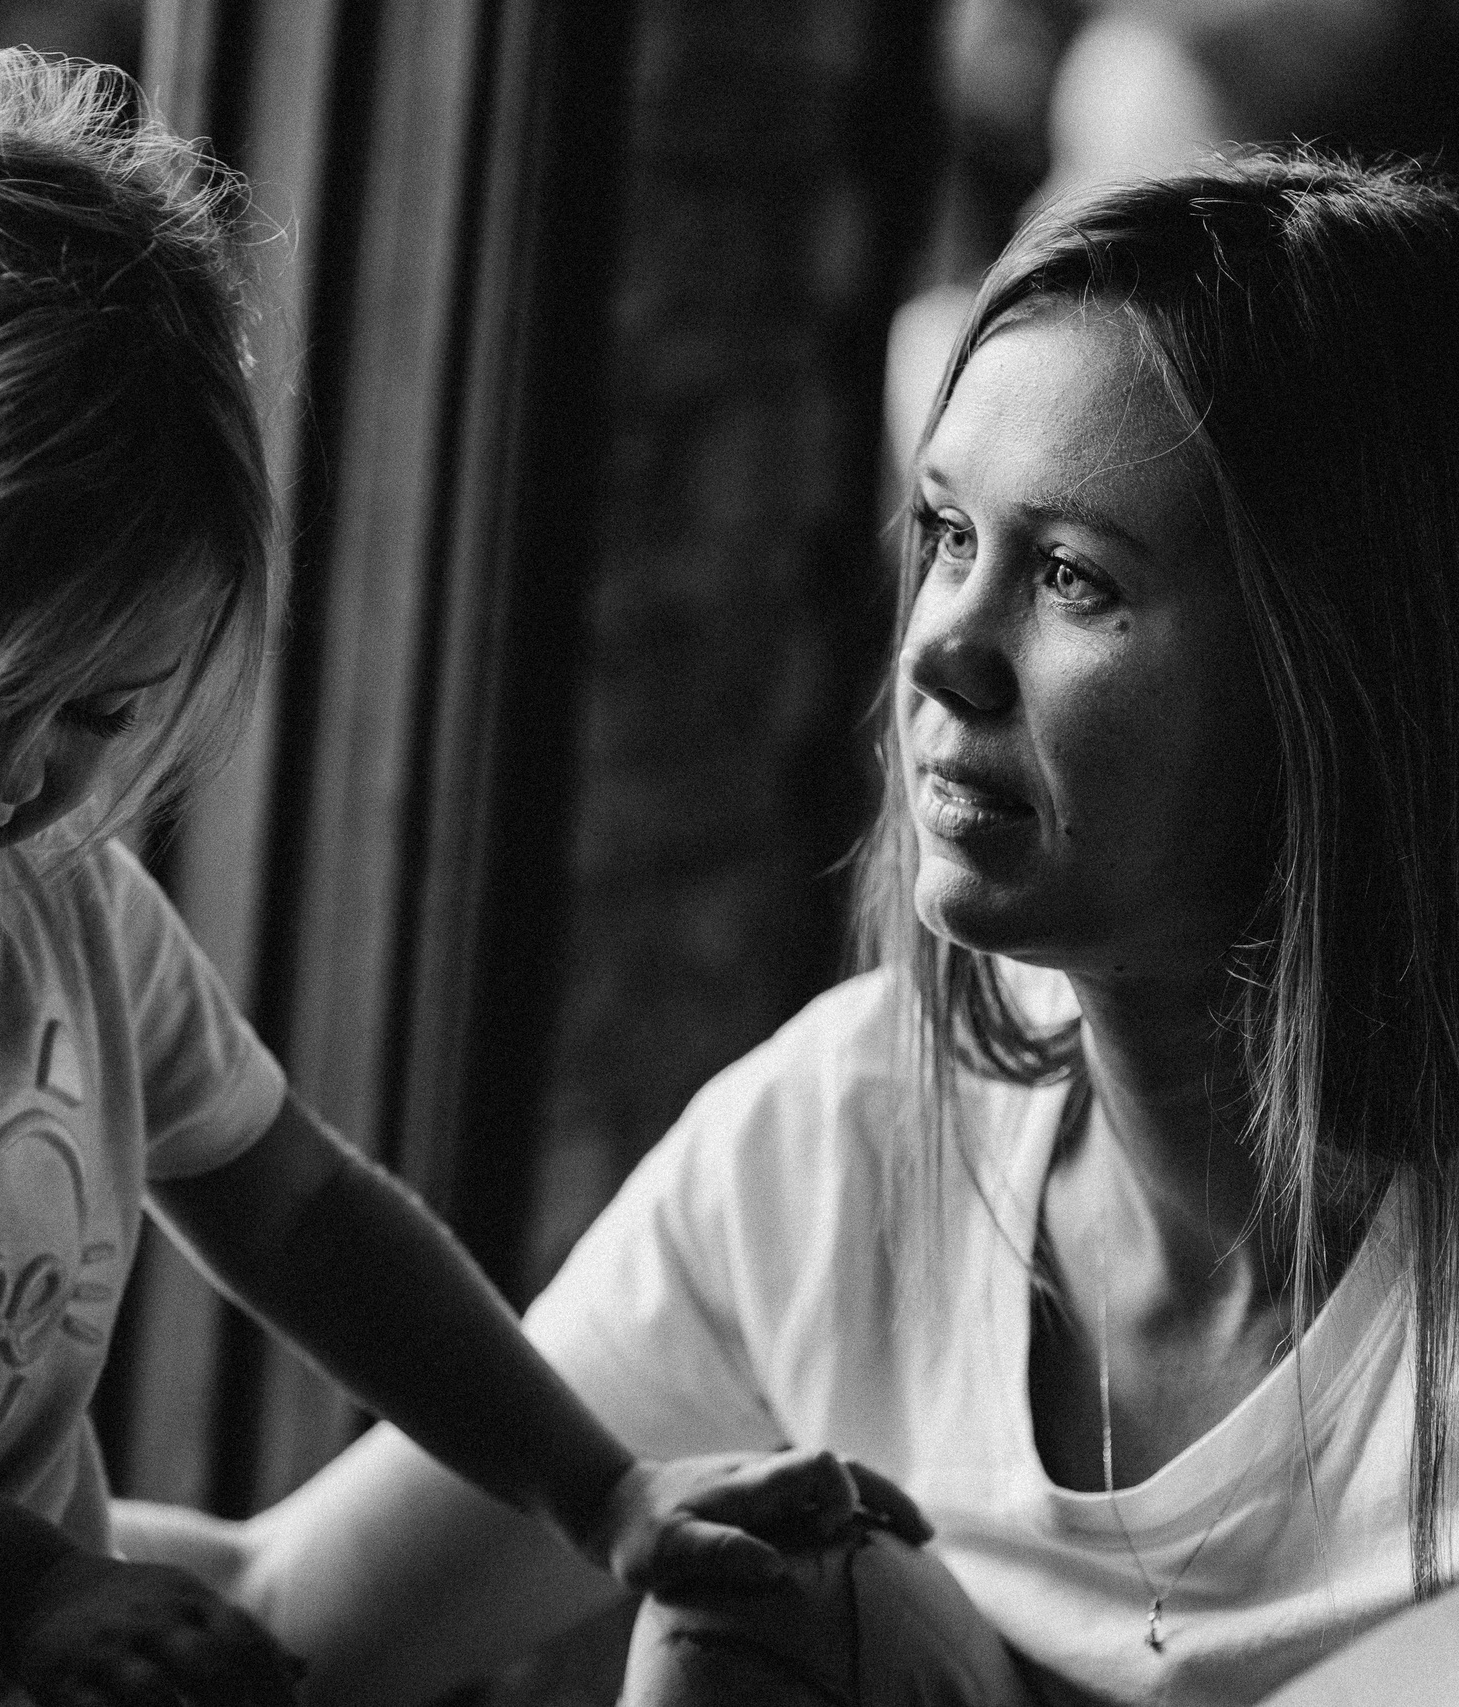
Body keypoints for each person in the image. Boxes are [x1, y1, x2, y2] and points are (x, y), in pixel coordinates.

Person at [0, 47, 927, 1707]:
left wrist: (602, 1494)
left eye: (95, 714)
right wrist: (44, 1598)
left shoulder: (70, 909)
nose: (6, 781)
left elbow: (297, 1207)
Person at [112, 150, 1459, 1707]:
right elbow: (281, 1612)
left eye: (1077, 578)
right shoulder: (849, 1142)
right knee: (770, 1590)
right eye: (950, 536)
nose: (943, 648)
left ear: (1348, 679)